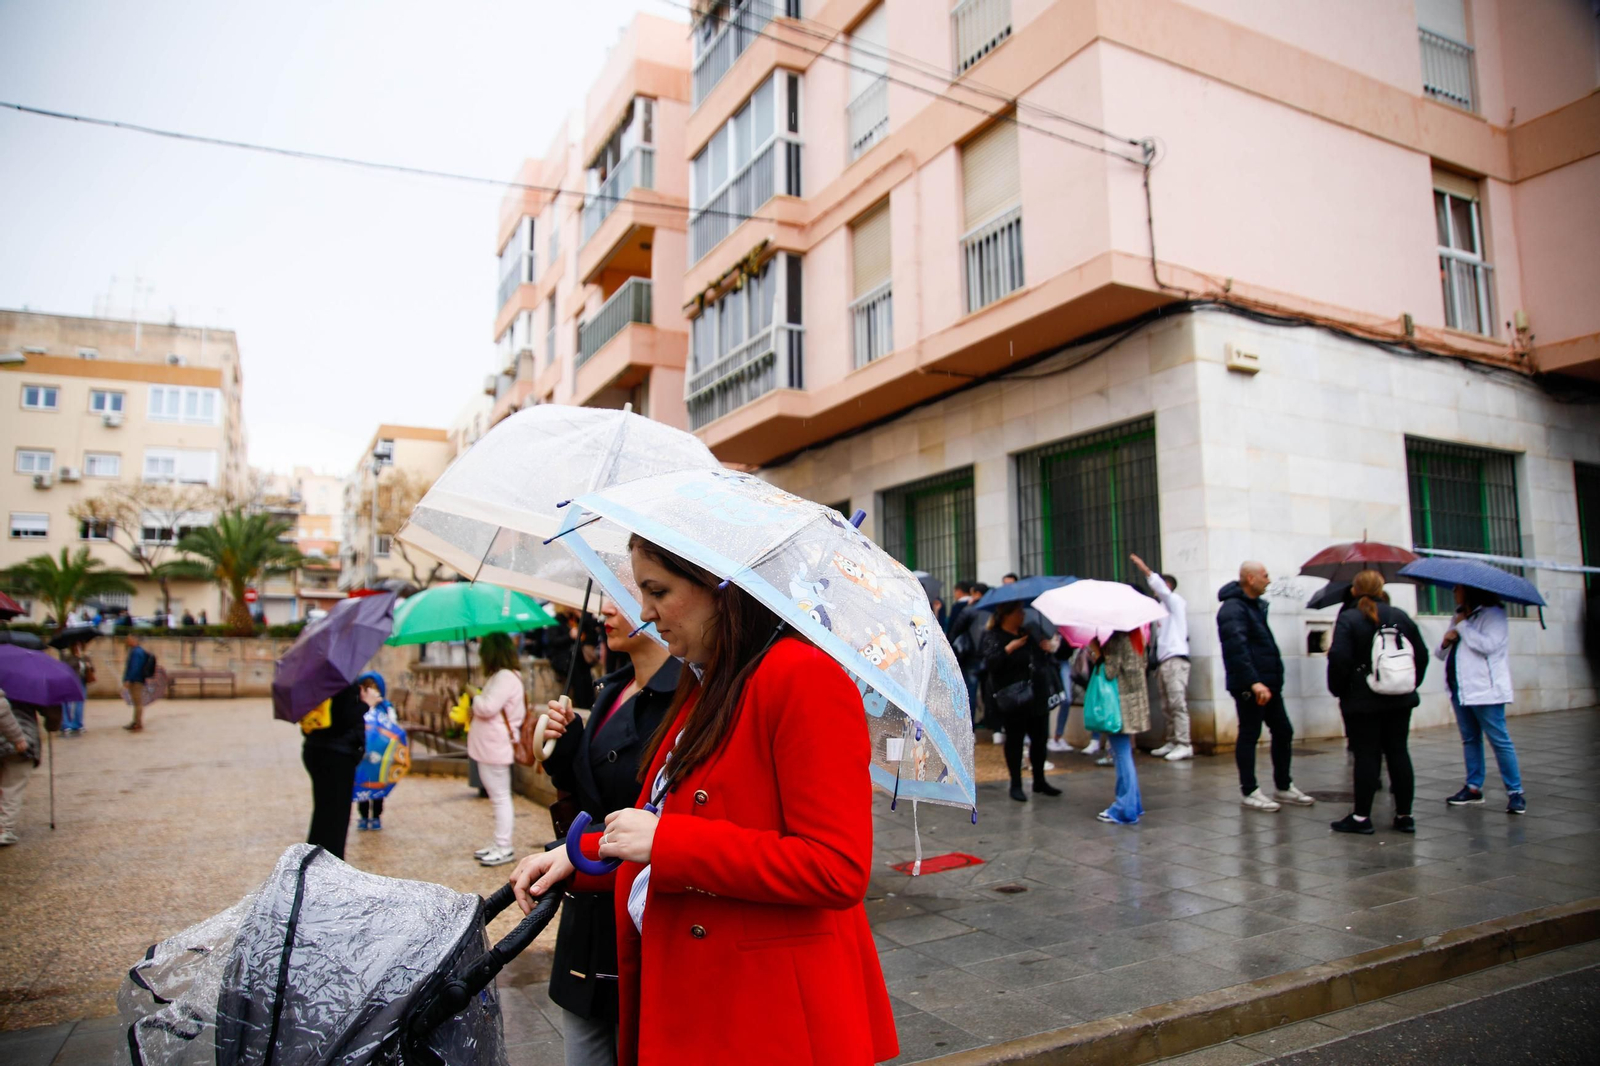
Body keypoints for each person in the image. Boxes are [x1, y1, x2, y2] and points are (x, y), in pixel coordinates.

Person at [508, 535, 897, 1066]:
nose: (645, 612)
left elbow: (836, 868)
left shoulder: (801, 676)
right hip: (702, 997)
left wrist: (668, 843)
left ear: (722, 587)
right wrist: (582, 855)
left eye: (657, 591)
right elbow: (669, 817)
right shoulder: (707, 681)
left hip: (767, 1015)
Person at [537, 597, 681, 1066]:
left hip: (632, 914)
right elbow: (588, 796)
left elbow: (654, 813)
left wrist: (574, 849)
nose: (604, 611)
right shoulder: (612, 688)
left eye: (623, 597)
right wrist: (564, 750)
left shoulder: (685, 703)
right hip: (584, 925)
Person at [1326, 571, 1427, 834]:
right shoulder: (1400, 616)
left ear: (1354, 590)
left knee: (1366, 755)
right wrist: (1408, 683)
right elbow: (1422, 655)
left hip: (1363, 700)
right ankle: (1405, 815)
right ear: (1381, 589)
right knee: (1399, 752)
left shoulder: (1349, 618)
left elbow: (1339, 658)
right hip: (1400, 698)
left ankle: (1361, 817)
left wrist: (1340, 690)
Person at [1217, 562, 1315, 812]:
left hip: (1268, 683)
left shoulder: (1253, 605)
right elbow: (1236, 648)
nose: (1269, 580)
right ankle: (1249, 791)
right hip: (1251, 685)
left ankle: (1283, 785)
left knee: (1283, 731)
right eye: (1265, 575)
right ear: (1250, 579)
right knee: (1250, 734)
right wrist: (1253, 681)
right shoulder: (1233, 608)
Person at [1439, 584, 1526, 815]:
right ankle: (1473, 787)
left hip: (1485, 689)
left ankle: (1515, 791)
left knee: (1499, 740)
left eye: (1457, 588)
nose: (1454, 592)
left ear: (1470, 590)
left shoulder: (1493, 615)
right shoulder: (1460, 616)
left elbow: (1488, 646)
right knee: (1470, 739)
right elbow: (1440, 653)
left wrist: (1463, 626)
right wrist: (1446, 641)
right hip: (1460, 688)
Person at [981, 603, 1062, 802]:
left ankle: (1039, 780)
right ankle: (1016, 784)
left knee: (1040, 740)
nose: (1023, 615)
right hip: (1014, 699)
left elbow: (1041, 658)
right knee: (1015, 741)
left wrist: (1047, 648)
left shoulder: (1029, 633)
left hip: (1037, 694)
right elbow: (991, 664)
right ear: (1006, 615)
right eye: (1018, 612)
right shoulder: (994, 636)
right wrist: (1010, 648)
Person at [470, 632, 526, 867]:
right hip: (490, 746)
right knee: (497, 797)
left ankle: (504, 846)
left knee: (501, 797)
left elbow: (488, 707)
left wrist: (475, 698)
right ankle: (499, 842)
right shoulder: (505, 676)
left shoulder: (505, 677)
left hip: (495, 746)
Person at [1131, 554, 1192, 761]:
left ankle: (1184, 743)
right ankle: (1173, 740)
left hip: (1175, 659)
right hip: (1164, 661)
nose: (1155, 591)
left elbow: (1162, 590)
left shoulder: (1175, 602)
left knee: (1177, 703)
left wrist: (1145, 569)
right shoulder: (1162, 610)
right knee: (1167, 705)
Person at [301, 681, 366, 860]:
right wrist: (365, 704)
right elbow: (341, 721)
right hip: (337, 756)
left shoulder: (314, 681)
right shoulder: (341, 682)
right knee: (336, 819)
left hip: (314, 750)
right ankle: (330, 867)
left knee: (323, 815)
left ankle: (313, 865)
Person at [1090, 629, 1149, 824]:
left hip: (1118, 706)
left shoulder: (1116, 639)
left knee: (1122, 755)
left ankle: (1124, 809)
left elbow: (1109, 672)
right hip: (1133, 704)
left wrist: (1097, 652)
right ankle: (1134, 804)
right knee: (1125, 754)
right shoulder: (1137, 637)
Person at [354, 672, 406, 831]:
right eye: (367, 688)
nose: (371, 692)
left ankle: (376, 815)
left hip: (381, 754)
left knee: (378, 784)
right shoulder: (358, 707)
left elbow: (393, 726)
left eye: (375, 688)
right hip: (363, 753)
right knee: (362, 783)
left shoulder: (385, 708)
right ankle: (363, 815)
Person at [0, 687, 39, 846]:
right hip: (22, 738)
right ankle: (4, 829)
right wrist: (18, 738)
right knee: (12, 786)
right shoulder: (35, 682)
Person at [121, 633, 154, 731]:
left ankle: (137, 723)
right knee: (137, 702)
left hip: (136, 681)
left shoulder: (136, 652)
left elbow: (135, 667)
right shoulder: (138, 651)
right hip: (138, 679)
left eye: (129, 639)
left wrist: (129, 679)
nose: (127, 641)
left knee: (137, 702)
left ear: (134, 640)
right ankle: (136, 721)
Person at [59, 641, 93, 735]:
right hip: (70, 681)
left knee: (80, 703)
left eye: (80, 645)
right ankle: (66, 725)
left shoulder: (85, 657)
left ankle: (78, 724)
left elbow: (92, 669)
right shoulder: (67, 657)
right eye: (76, 645)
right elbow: (66, 667)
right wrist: (77, 659)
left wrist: (89, 666)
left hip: (81, 681)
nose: (78, 647)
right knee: (67, 703)